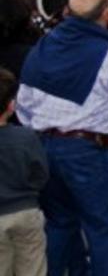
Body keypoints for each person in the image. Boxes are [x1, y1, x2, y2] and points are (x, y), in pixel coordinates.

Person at [15, 0, 108, 275]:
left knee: (59, 226)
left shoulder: (44, 46)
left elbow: (23, 105)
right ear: (106, 14)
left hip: (44, 147)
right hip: (88, 153)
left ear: (68, 12)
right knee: (103, 231)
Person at [0, 68, 48, 276]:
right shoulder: (25, 137)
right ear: (11, 105)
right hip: (25, 209)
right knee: (33, 265)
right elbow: (40, 174)